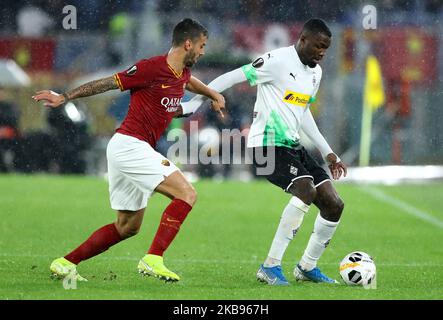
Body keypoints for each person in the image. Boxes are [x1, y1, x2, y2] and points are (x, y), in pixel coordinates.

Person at [33, 18, 225, 282]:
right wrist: (65, 97)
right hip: (130, 146)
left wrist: (213, 93)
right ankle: (153, 258)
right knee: (187, 193)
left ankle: (65, 263)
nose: (203, 52)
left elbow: (190, 83)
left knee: (127, 227)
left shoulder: (182, 73)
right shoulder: (151, 68)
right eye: (202, 46)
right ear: (188, 43)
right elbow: (110, 82)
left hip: (131, 149)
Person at [181, 18, 347, 285]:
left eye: (326, 49)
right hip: (265, 146)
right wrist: (194, 103)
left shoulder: (315, 73)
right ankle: (270, 267)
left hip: (292, 146)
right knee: (306, 190)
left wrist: (329, 152)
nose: (321, 53)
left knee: (334, 204)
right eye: (318, 47)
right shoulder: (277, 61)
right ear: (302, 40)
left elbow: (301, 112)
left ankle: (306, 267)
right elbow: (230, 77)